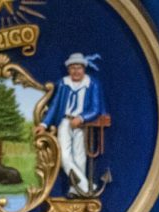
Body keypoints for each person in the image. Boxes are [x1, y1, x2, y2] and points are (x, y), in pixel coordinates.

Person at [36, 52, 106, 197]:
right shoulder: (63, 83)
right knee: (63, 156)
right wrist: (44, 124)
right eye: (72, 68)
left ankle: (75, 189)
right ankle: (86, 186)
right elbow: (55, 106)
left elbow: (96, 107)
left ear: (84, 69)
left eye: (79, 68)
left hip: (82, 124)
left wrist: (81, 117)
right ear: (68, 69)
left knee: (80, 156)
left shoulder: (92, 84)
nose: (76, 71)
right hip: (65, 122)